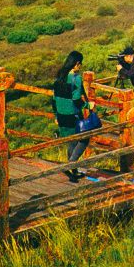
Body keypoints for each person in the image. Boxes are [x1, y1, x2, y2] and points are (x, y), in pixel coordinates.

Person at [53, 50, 88, 180]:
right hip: (72, 115)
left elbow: (54, 99)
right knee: (84, 139)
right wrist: (88, 106)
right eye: (80, 64)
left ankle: (73, 170)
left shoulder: (59, 76)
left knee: (72, 143)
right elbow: (77, 100)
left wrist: (56, 115)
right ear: (76, 64)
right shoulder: (76, 78)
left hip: (61, 116)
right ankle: (71, 165)